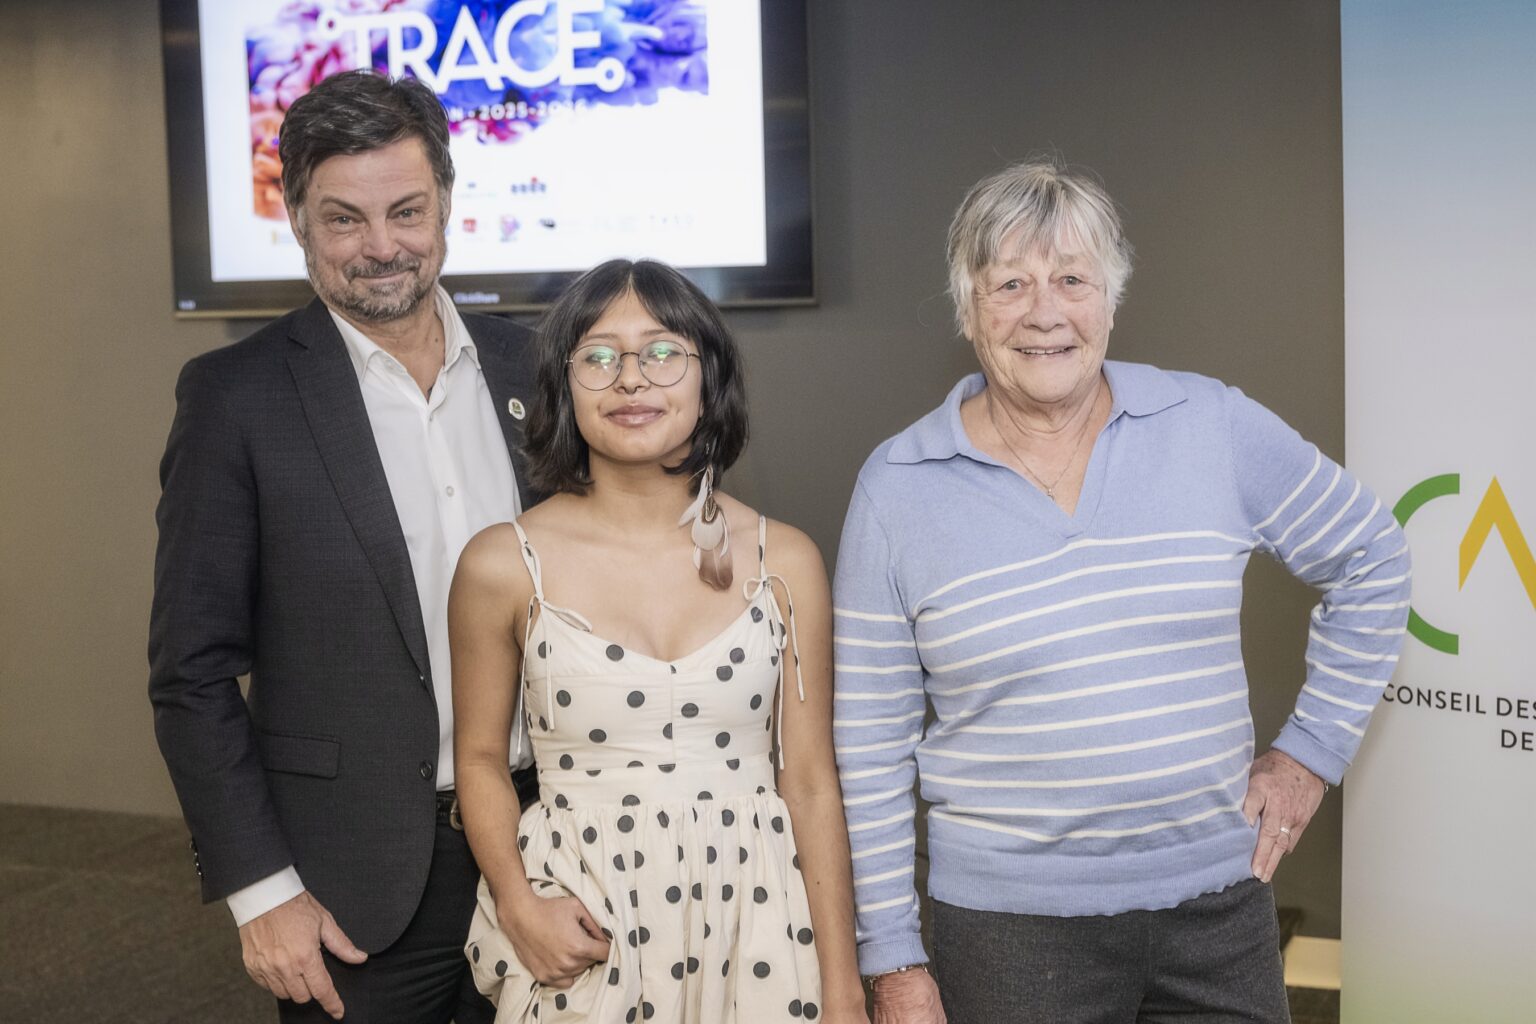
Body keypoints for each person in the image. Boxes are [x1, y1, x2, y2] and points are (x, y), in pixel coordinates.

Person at [831, 159, 1412, 1023]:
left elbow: (1372, 554)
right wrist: (892, 959)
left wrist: (1310, 755)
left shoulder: (1211, 424)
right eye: (1011, 284)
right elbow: (871, 748)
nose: (1045, 312)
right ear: (968, 308)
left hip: (1220, 916)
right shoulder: (898, 488)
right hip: (1007, 940)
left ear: (1111, 298)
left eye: (1073, 279)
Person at [148, 70, 539, 1023]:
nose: (382, 247)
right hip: (353, 884)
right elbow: (191, 672)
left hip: (548, 846)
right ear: (296, 219)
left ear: (446, 200)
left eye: (406, 211)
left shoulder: (537, 367)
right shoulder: (235, 398)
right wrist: (260, 890)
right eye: (343, 220)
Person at [447, 259, 869, 1023]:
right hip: (587, 923)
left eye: (663, 351)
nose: (631, 379)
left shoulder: (786, 561)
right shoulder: (503, 564)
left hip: (758, 921)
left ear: (709, 377)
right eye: (598, 357)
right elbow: (478, 759)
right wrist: (517, 903)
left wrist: (844, 988)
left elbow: (809, 782)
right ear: (563, 385)